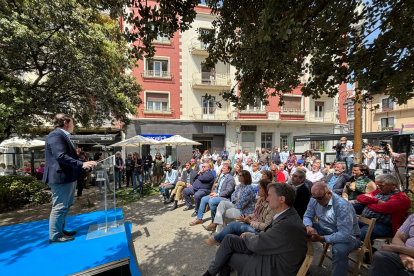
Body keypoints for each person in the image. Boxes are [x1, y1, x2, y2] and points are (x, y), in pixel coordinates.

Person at [202, 182, 307, 276]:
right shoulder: (287, 215)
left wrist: (248, 236)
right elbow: (271, 238)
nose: (267, 199)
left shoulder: (286, 224)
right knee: (229, 239)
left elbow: (259, 244)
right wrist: (254, 235)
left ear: (281, 199)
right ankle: (208, 274)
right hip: (270, 252)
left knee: (226, 256)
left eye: (270, 195)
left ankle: (209, 274)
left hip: (271, 266)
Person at [43, 114, 97, 243]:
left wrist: (84, 165)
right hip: (60, 177)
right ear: (65, 122)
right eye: (72, 122)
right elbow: (60, 156)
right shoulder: (56, 135)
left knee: (66, 205)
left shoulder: (62, 136)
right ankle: (55, 235)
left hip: (67, 177)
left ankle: (60, 230)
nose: (73, 125)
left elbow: (68, 157)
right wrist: (81, 164)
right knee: (60, 206)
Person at [304, 182, 361, 276]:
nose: (316, 200)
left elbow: (345, 235)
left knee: (339, 250)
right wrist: (308, 226)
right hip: (325, 229)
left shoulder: (342, 206)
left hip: (350, 237)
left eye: (319, 198)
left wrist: (322, 238)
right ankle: (300, 266)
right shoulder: (315, 198)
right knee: (299, 230)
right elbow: (308, 215)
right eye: (314, 197)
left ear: (328, 193)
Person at [204, 179, 276, 245]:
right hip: (251, 220)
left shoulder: (270, 206)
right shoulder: (259, 200)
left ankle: (216, 238)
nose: (257, 189)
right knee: (223, 210)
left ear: (266, 190)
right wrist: (249, 217)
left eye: (260, 188)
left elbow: (266, 227)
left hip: (258, 231)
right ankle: (220, 238)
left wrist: (250, 222)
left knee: (232, 224)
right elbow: (255, 213)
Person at [357, 174, 411, 255]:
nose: (379, 187)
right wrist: (376, 201)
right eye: (377, 185)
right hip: (367, 221)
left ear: (393, 185)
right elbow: (360, 197)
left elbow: (384, 208)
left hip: (385, 226)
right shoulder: (378, 192)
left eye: (381, 185)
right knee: (348, 226)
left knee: (363, 233)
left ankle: (369, 254)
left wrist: (367, 203)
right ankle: (369, 251)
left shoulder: (402, 198)